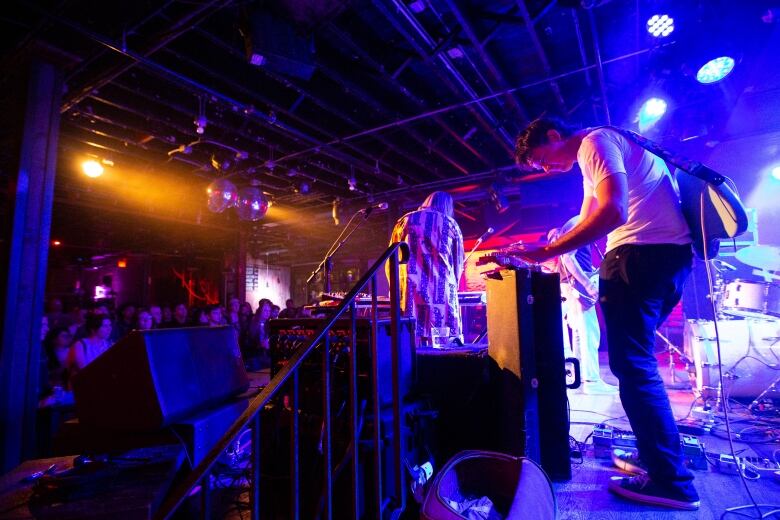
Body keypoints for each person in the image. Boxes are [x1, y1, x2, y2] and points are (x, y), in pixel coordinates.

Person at [514, 118, 697, 510]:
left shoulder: (594, 143)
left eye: (540, 161)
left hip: (640, 256)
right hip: (665, 257)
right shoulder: (599, 151)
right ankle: (661, 463)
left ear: (552, 136)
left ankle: (672, 482)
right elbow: (587, 216)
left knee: (633, 367)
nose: (544, 170)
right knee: (637, 364)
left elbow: (613, 211)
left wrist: (544, 253)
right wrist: (541, 246)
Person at [549, 218, 617, 396]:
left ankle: (581, 378)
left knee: (580, 334)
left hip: (569, 285)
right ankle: (591, 381)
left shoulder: (575, 224)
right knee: (589, 333)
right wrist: (587, 284)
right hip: (576, 286)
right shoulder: (578, 223)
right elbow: (568, 258)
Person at [388, 191, 464, 347]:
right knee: (442, 344)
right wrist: (453, 285)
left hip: (410, 290)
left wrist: (395, 288)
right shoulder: (450, 223)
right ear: (447, 206)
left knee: (410, 339)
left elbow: (391, 259)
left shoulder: (405, 220)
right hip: (441, 294)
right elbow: (458, 263)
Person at [65, 314, 113, 384]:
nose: (109, 328)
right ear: (93, 329)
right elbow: (84, 369)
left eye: (110, 325)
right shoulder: (81, 345)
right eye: (105, 326)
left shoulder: (109, 345)